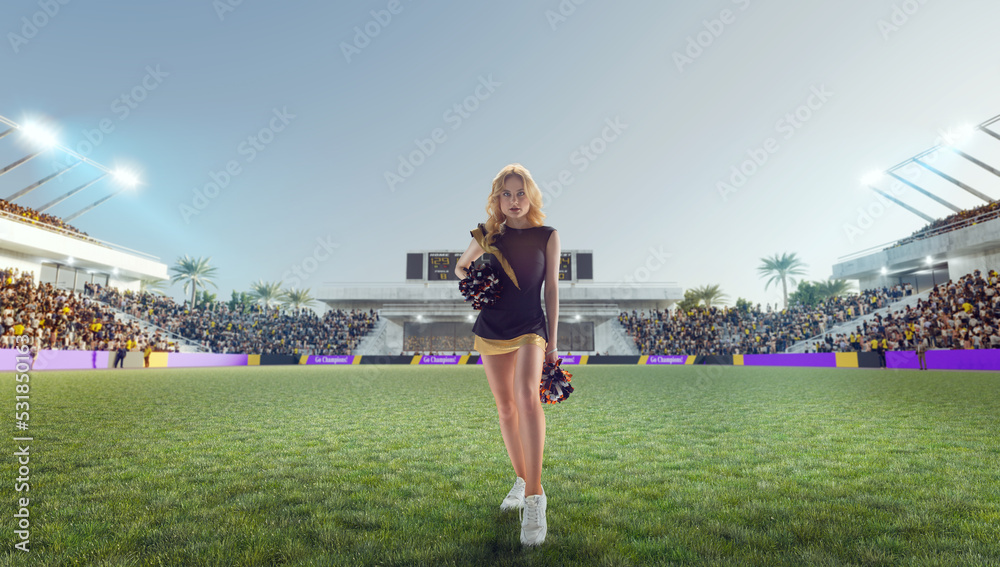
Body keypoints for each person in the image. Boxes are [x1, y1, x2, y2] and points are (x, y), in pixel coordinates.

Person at [455, 163, 560, 547]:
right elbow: (460, 266)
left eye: (520, 193)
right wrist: (473, 282)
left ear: (530, 196)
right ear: (497, 199)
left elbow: (551, 292)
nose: (514, 201)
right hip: (493, 326)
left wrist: (553, 342)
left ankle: (535, 499)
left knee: (527, 400)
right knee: (505, 408)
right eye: (506, 194)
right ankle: (520, 480)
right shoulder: (487, 234)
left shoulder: (547, 235)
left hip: (531, 324)